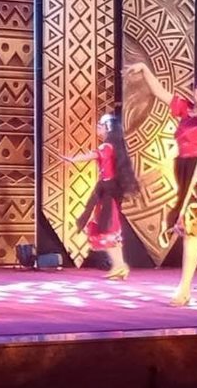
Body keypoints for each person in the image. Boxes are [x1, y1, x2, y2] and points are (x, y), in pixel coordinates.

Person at [124, 62, 197, 306]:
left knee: (192, 234)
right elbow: (159, 92)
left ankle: (183, 290)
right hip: (186, 173)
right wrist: (144, 69)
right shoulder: (186, 110)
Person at [59, 113, 139, 280]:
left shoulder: (106, 147)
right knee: (110, 229)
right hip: (109, 191)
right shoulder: (115, 148)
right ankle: (119, 266)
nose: (97, 128)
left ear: (108, 129)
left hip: (107, 192)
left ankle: (120, 265)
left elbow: (91, 155)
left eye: (100, 126)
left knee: (107, 229)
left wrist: (72, 160)